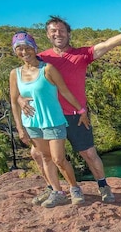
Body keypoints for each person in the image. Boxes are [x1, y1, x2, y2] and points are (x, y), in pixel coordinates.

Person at [23, 13, 121, 204]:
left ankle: (103, 186)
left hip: (76, 115)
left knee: (89, 153)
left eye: (61, 30)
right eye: (53, 31)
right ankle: (52, 189)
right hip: (49, 117)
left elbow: (106, 45)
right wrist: (21, 100)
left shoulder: (81, 55)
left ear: (68, 34)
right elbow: (24, 81)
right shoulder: (41, 58)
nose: (57, 34)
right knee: (38, 154)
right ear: (47, 35)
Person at [9, 32, 86, 208]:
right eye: (19, 49)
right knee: (45, 157)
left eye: (27, 47)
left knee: (58, 159)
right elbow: (14, 101)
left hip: (53, 120)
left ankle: (74, 188)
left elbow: (65, 91)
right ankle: (57, 192)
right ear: (15, 52)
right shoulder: (15, 74)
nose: (24, 52)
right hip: (32, 124)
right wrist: (20, 128)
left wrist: (80, 110)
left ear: (34, 48)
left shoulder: (48, 69)